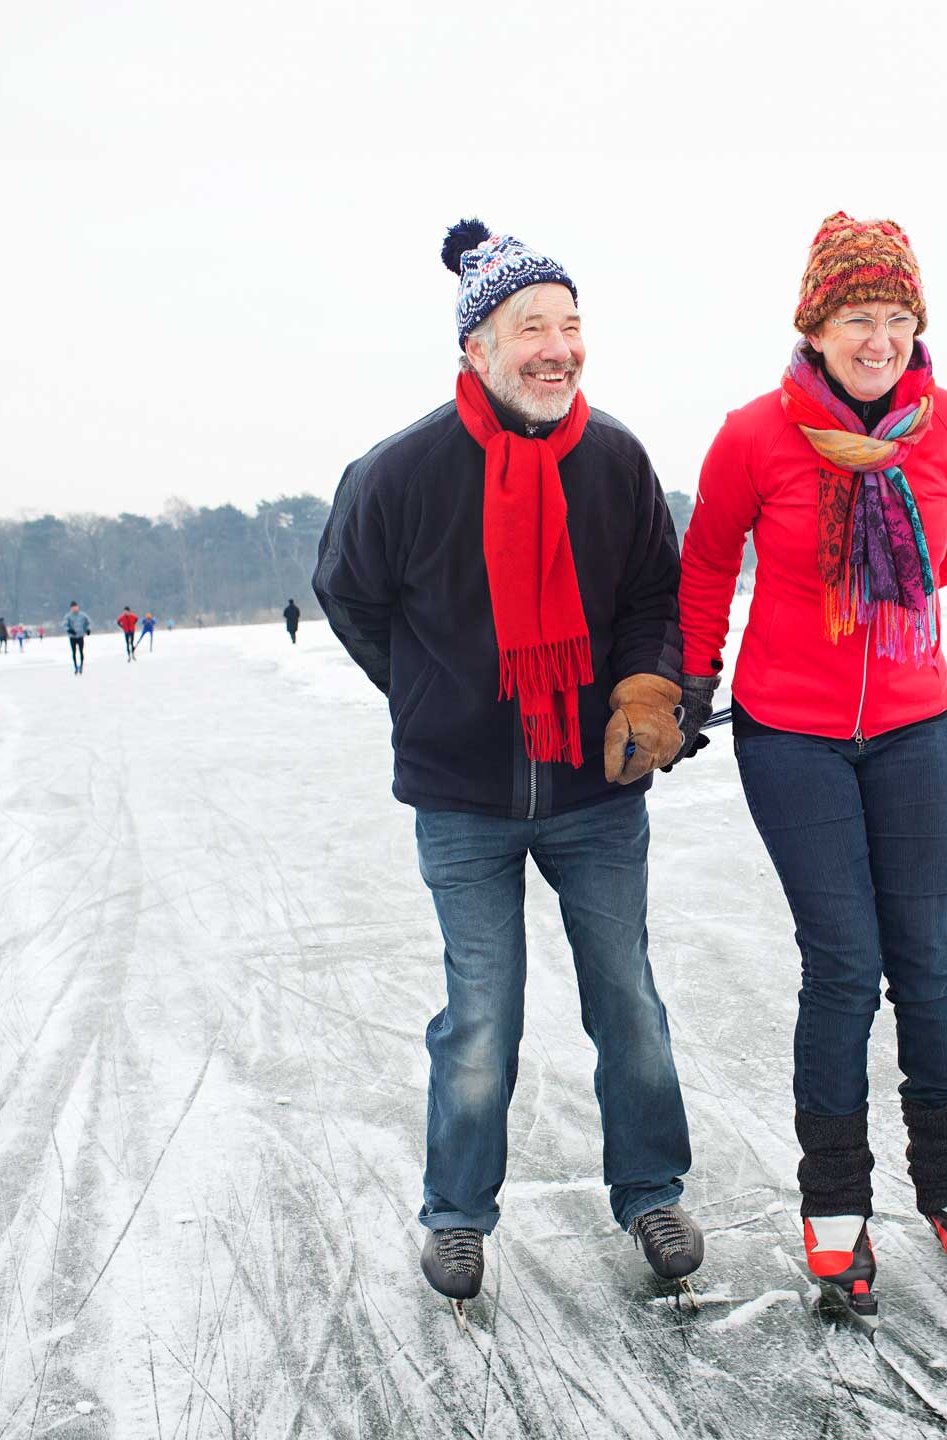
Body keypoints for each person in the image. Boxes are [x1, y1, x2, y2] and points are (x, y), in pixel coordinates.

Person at [313, 219, 699, 1309]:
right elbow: (349, 594)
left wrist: (641, 687)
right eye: (532, 326)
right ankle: (456, 1216)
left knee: (627, 997)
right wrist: (428, 693)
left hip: (594, 791)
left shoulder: (615, 459)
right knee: (482, 1013)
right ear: (479, 346)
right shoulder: (401, 472)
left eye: (571, 327)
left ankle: (652, 1189)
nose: (557, 349)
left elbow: (650, 600)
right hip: (465, 799)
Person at [673, 213, 947, 1319]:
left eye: (898, 317)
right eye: (859, 317)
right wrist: (686, 680)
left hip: (914, 725)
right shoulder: (755, 436)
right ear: (815, 327)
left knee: (932, 957)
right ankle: (836, 1205)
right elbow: (710, 560)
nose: (880, 338)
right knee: (844, 963)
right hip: (793, 734)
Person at [64, 601, 91, 673]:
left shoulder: (83, 615)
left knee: (81, 651)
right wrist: (69, 630)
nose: (74, 609)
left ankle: (81, 665)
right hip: (72, 636)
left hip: (80, 635)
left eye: (75, 607)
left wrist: (88, 629)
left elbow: (88, 622)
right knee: (74, 652)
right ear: (71, 608)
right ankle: (75, 666)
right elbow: (65, 625)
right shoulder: (68, 616)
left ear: (77, 607)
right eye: (72, 608)